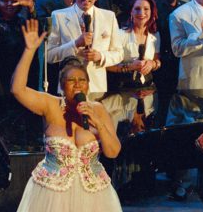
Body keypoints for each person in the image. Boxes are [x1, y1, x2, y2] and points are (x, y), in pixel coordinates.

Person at [13, 19, 122, 211]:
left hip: (93, 195)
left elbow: (113, 152)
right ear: (62, 86)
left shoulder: (97, 109)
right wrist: (29, 50)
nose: (78, 84)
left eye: (82, 80)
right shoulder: (50, 104)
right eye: (71, 80)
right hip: (51, 194)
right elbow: (17, 90)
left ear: (88, 85)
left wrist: (99, 124)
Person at [0, 0, 42, 149]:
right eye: (4, 0)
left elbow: (38, 35)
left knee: (27, 131)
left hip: (24, 80)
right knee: (6, 134)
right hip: (0, 86)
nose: (9, 4)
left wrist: (31, 8)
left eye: (13, 0)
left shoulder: (22, 23)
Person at [47, 0, 124, 94]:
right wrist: (75, 44)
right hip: (68, 87)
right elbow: (49, 55)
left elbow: (119, 53)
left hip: (97, 88)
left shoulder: (109, 16)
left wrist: (100, 56)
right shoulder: (58, 16)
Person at [107, 0, 161, 89]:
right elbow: (108, 65)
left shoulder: (155, 36)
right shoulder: (120, 34)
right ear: (131, 12)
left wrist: (152, 64)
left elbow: (157, 60)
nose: (141, 12)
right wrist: (131, 66)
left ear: (152, 12)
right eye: (137, 8)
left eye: (146, 9)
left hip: (146, 88)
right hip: (123, 88)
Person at [153, 0, 185, 126]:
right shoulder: (153, 10)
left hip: (183, 66)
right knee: (162, 111)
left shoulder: (186, 8)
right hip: (161, 68)